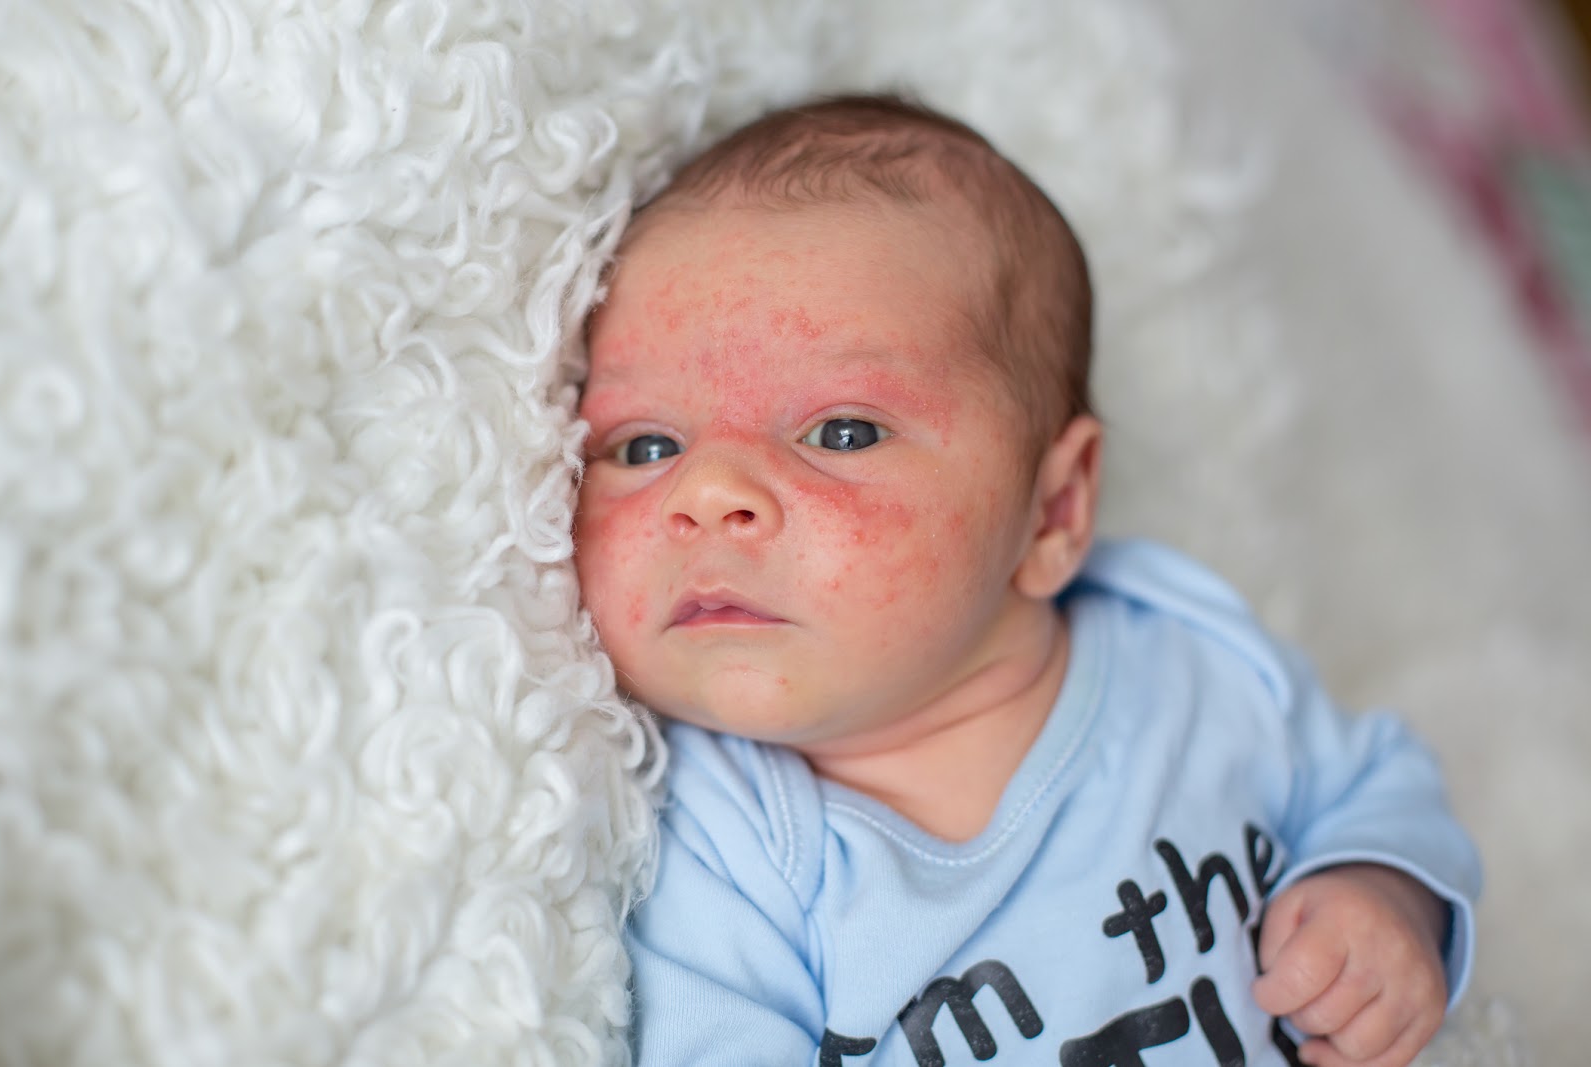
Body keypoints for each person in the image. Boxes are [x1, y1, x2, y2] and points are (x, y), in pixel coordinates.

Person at [572, 93, 1481, 1067]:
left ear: (1051, 512)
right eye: (644, 443)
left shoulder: (1186, 656)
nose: (706, 492)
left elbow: (1373, 780)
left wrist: (1384, 891)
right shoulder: (721, 846)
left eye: (841, 431)